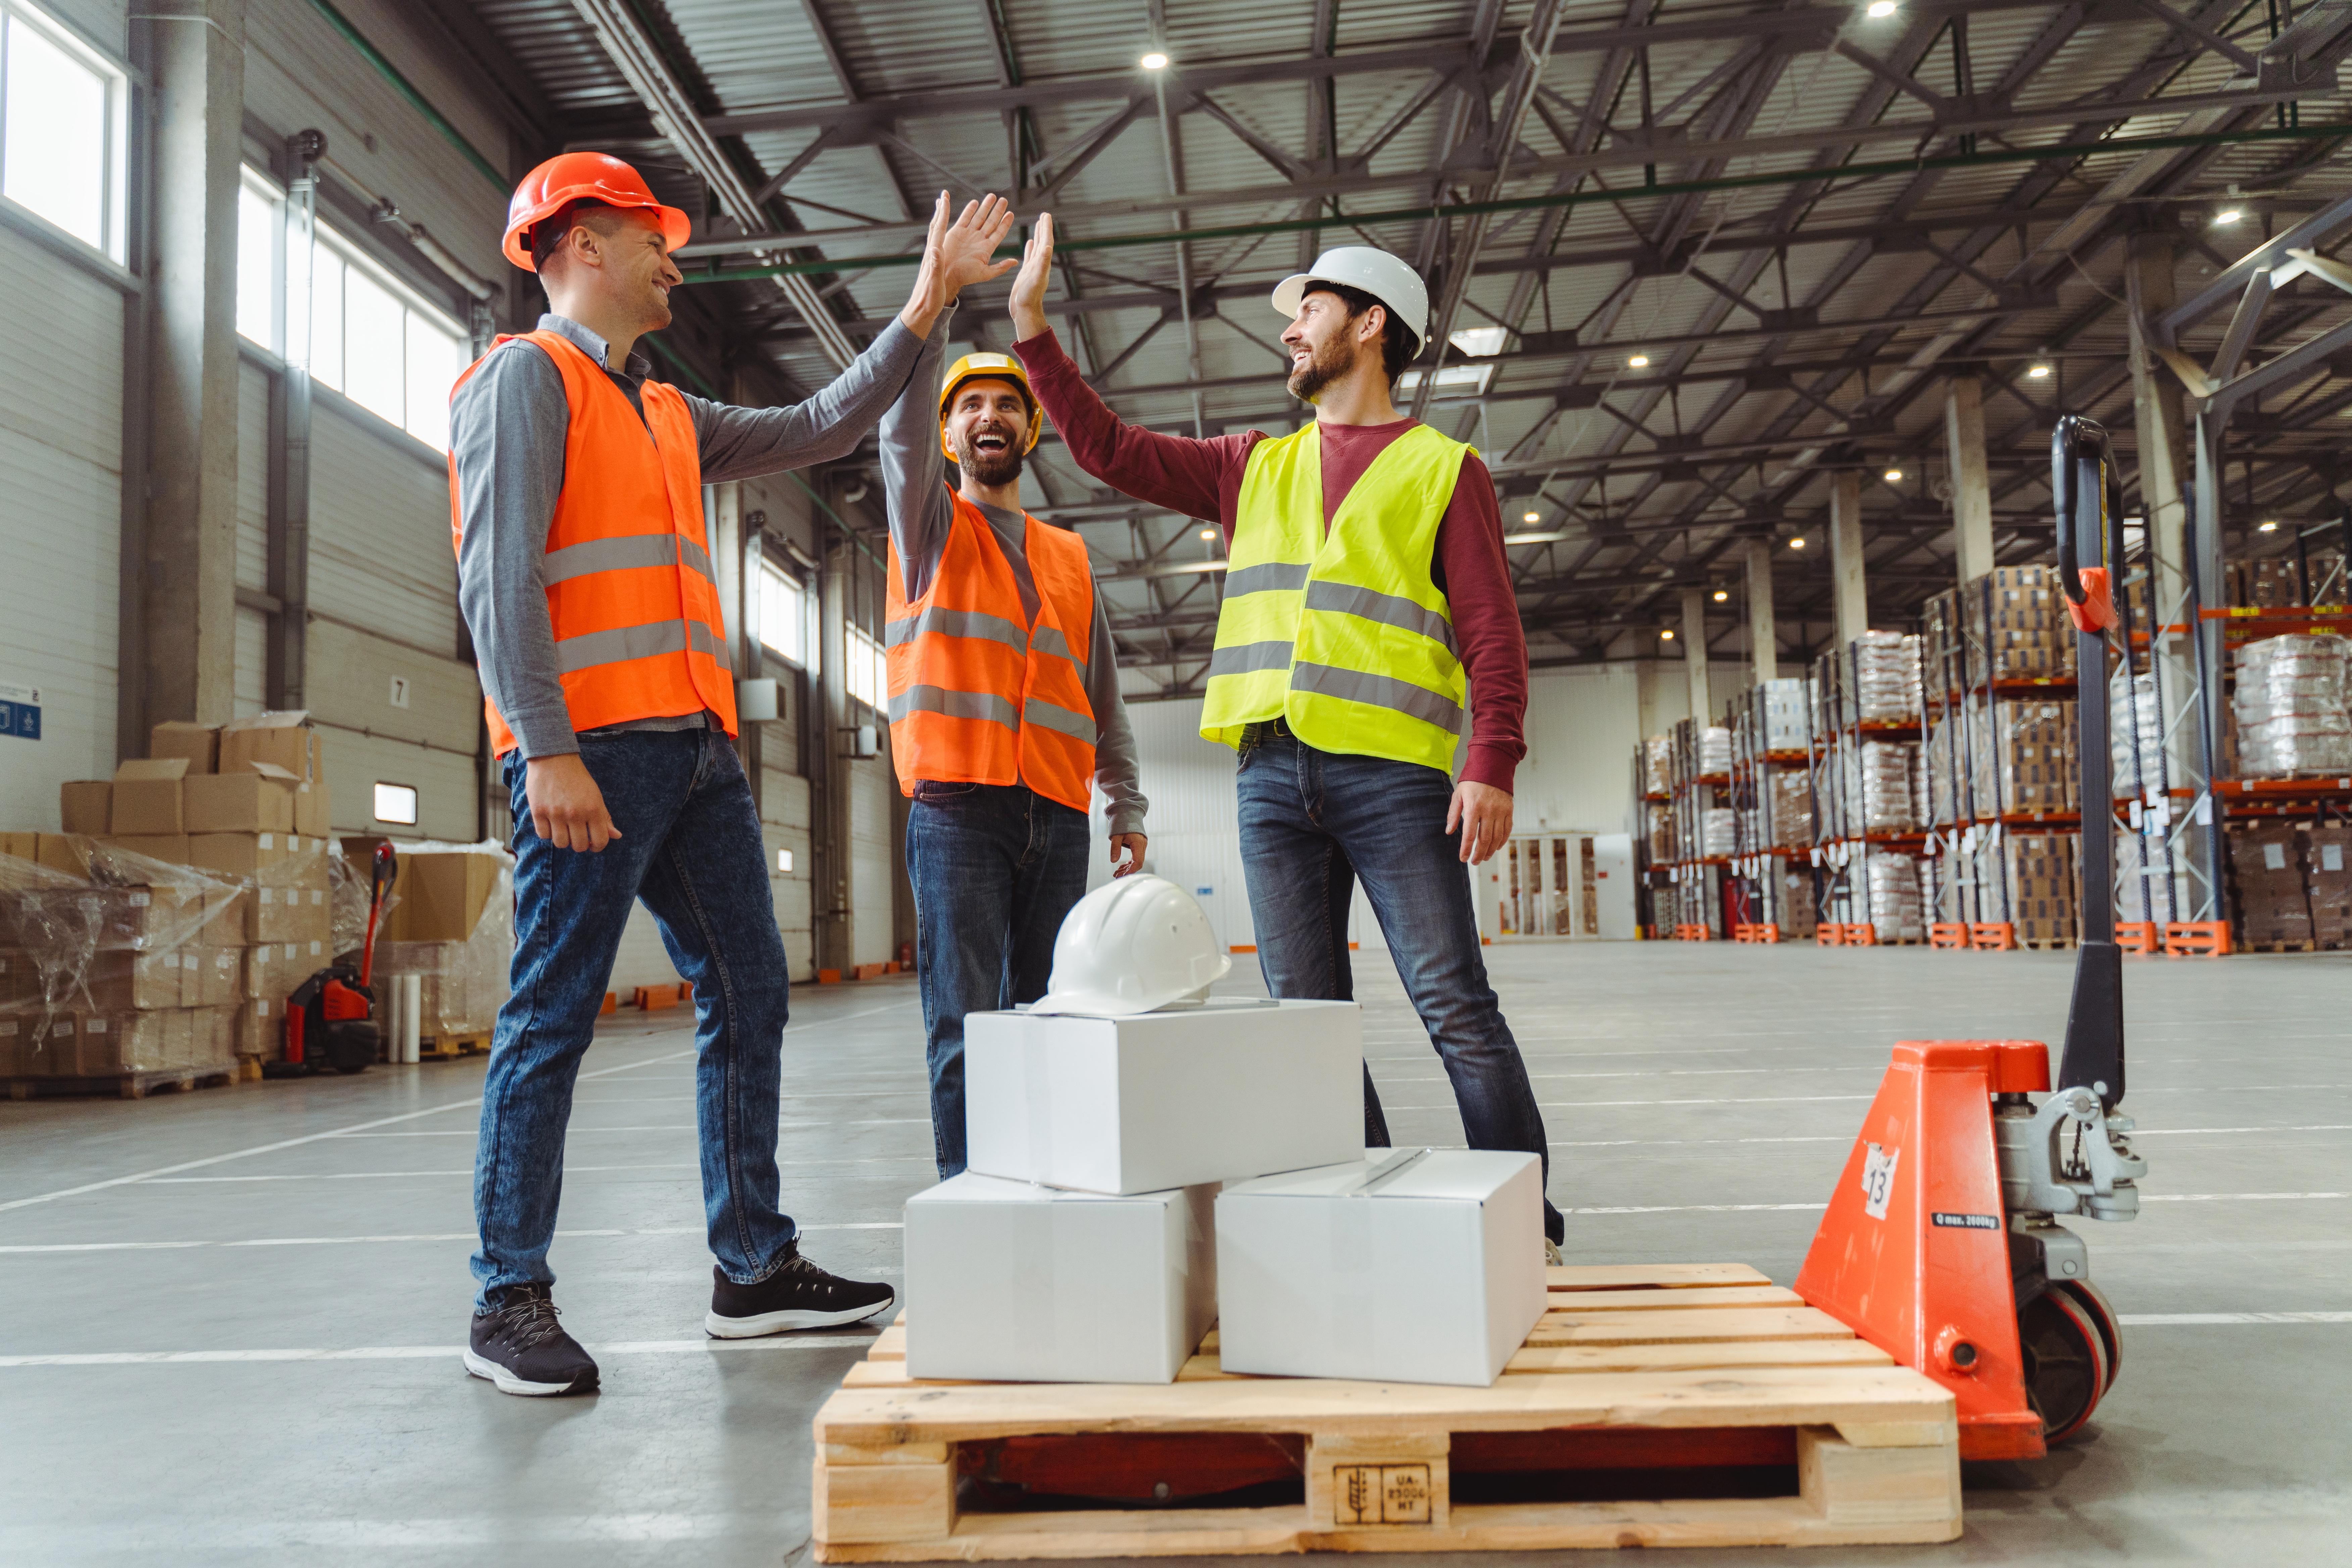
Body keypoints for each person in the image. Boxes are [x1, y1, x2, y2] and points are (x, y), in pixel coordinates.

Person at [447, 152, 1014, 1396]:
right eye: (654, 236)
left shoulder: (661, 407)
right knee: (551, 1018)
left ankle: (750, 1267)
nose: (674, 257)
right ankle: (508, 1297)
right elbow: (500, 581)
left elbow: (825, 425)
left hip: (698, 751)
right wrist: (544, 748)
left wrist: (927, 303)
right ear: (582, 242)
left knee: (751, 990)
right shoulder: (524, 382)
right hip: (590, 753)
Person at [1006, 218, 1565, 1257]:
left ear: (1370, 323)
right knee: (1307, 1027)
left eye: (1307, 312)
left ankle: (1528, 1221)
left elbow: (1493, 635)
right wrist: (1034, 331)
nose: (1290, 336)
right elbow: (1108, 450)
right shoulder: (1252, 466)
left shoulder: (1443, 470)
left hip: (1394, 777)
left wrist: (1491, 763)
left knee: (1454, 1005)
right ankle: (1378, 1205)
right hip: (1267, 775)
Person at [875, 194, 1150, 1180]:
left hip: (1055, 812)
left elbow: (1101, 693)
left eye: (1005, 406)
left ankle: (1045, 1185)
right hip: (957, 810)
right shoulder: (927, 528)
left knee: (1049, 1019)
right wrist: (938, 300)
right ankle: (970, 1204)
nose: (988, 417)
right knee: (965, 1025)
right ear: (950, 435)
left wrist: (1126, 801)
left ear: (1030, 431)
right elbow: (898, 438)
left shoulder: (1070, 555)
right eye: (969, 407)